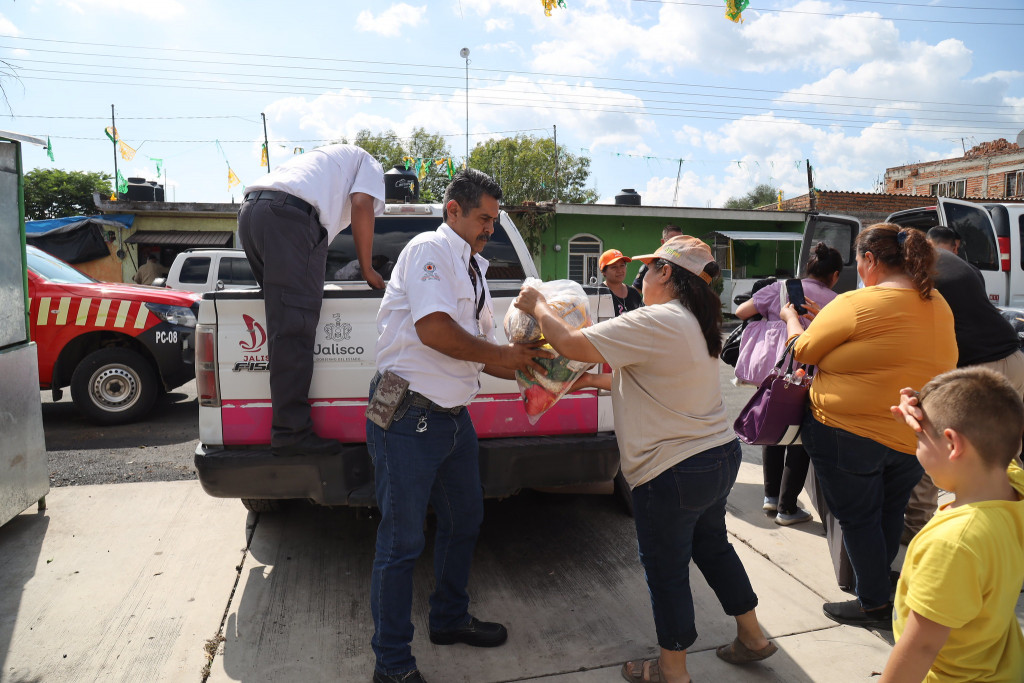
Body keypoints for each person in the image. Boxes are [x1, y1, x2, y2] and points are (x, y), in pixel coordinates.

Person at [515, 235, 777, 683]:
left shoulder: (657, 319)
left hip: (672, 470)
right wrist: (585, 384)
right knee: (712, 547)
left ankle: (671, 669)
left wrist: (537, 303)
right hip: (716, 457)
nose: (641, 276)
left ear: (668, 273)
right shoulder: (694, 321)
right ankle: (752, 636)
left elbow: (572, 344)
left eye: (647, 268)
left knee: (666, 569)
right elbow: (642, 377)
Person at [366, 169, 550, 683]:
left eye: (494, 220)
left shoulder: (473, 267)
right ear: (453, 211)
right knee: (401, 543)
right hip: (406, 413)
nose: (490, 228)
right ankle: (392, 663)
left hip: (450, 418)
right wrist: (506, 356)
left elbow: (479, 352)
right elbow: (435, 331)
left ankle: (447, 619)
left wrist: (533, 368)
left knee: (465, 519)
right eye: (483, 218)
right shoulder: (432, 250)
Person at [779, 224, 957, 629]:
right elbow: (886, 343)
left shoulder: (857, 303)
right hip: (909, 432)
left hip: (848, 434)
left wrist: (792, 318)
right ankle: (879, 580)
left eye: (859, 262)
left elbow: (803, 351)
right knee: (888, 511)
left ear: (871, 260)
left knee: (857, 517)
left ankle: (873, 602)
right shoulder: (937, 303)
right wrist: (828, 319)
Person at [237, 144, 385, 457]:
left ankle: (283, 423)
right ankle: (291, 434)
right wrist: (368, 268)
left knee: (282, 328)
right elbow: (361, 205)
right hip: (288, 220)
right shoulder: (370, 163)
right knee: (293, 330)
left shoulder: (328, 161)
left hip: (253, 212)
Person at [884, 368, 1024, 683]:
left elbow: (921, 647)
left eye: (919, 438)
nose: (916, 445)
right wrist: (929, 422)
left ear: (952, 444)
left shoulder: (953, 544)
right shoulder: (1013, 483)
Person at [902, 226, 1024, 543]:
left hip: (980, 369)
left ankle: (916, 525)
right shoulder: (953, 261)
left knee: (936, 442)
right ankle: (1014, 528)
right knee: (1007, 454)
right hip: (1014, 359)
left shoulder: (911, 274)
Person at [733, 242, 844, 526]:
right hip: (811, 377)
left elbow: (741, 312)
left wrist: (771, 310)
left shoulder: (780, 288)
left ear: (807, 268)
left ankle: (770, 497)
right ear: (834, 275)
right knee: (800, 438)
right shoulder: (836, 301)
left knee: (773, 427)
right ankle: (787, 507)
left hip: (776, 373)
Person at [632, 224, 683, 292]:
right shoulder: (651, 264)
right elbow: (635, 291)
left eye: (680, 241)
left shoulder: (688, 267)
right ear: (663, 242)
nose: (676, 244)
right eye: (672, 241)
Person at [598, 248, 643, 316]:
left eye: (622, 266)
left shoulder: (633, 293)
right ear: (604, 272)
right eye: (614, 267)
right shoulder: (598, 294)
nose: (619, 270)